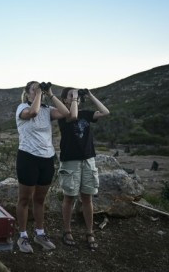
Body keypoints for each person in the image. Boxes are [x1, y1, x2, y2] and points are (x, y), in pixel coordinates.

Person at [15, 81, 70, 253]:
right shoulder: (22, 107)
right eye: (34, 89)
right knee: (24, 200)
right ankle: (23, 236)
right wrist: (39, 93)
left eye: (39, 89)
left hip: (47, 159)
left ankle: (40, 233)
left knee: (40, 199)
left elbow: (66, 112)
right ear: (28, 92)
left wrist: (51, 94)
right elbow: (33, 112)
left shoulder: (47, 109)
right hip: (28, 158)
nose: (38, 91)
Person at [57, 88, 110, 250]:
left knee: (87, 198)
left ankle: (89, 232)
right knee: (69, 198)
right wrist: (74, 98)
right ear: (65, 99)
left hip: (88, 160)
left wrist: (90, 95)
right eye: (71, 96)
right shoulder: (62, 114)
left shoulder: (86, 114)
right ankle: (67, 231)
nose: (75, 98)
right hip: (70, 161)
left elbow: (105, 112)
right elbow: (72, 115)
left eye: (77, 96)